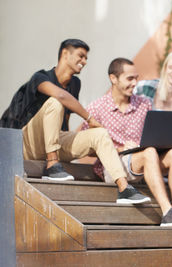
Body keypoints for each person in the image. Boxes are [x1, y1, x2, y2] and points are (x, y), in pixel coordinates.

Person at [0, 39, 150, 205]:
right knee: (56, 102)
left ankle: (124, 188)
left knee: (99, 134)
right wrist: (90, 118)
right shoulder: (41, 77)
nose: (84, 61)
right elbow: (61, 96)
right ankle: (52, 164)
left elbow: (64, 121)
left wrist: (71, 145)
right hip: (23, 144)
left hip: (53, 141)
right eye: (81, 56)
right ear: (65, 54)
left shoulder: (74, 84)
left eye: (86, 58)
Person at [82, 57, 172, 226]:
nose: (135, 83)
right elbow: (86, 149)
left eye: (136, 78)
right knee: (149, 153)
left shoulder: (144, 103)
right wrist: (119, 149)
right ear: (113, 79)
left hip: (145, 160)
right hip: (114, 168)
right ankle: (167, 212)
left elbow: (154, 134)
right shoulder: (96, 108)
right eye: (129, 78)